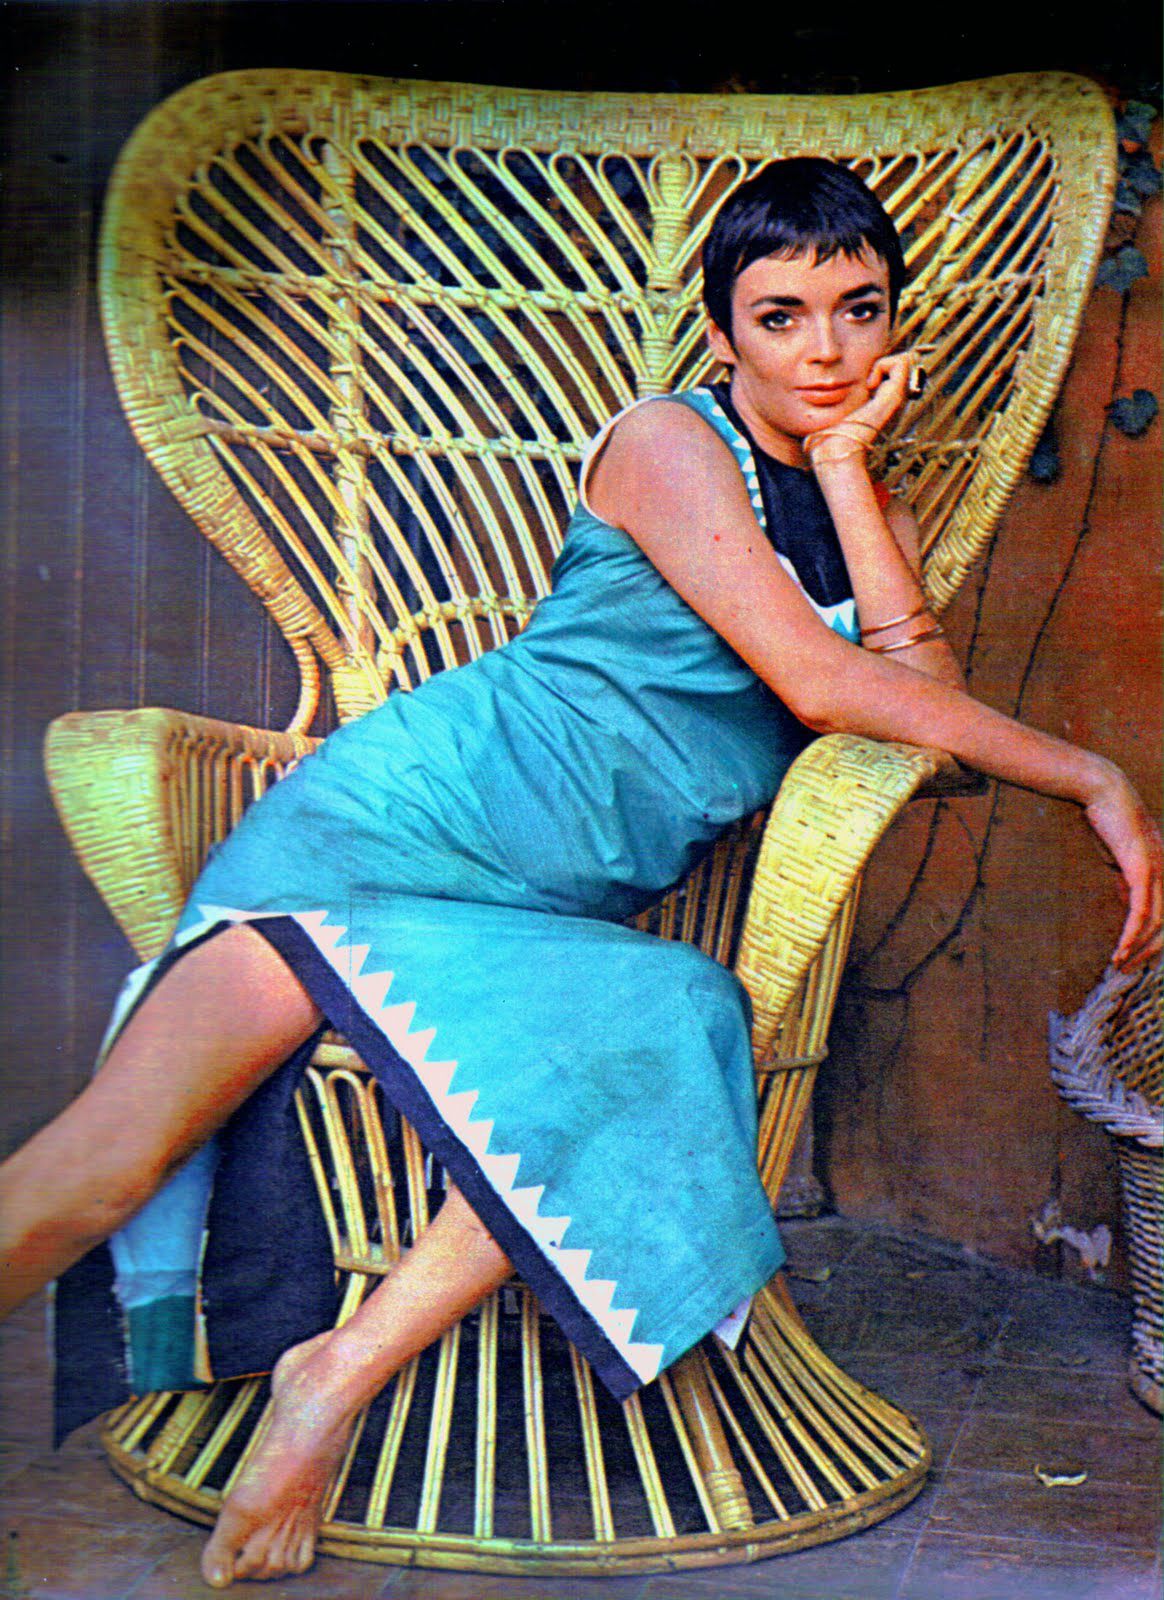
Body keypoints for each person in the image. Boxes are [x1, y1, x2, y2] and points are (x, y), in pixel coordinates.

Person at [2, 158, 1160, 1588]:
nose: (825, 350)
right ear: (721, 332)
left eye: (859, 310)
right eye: (781, 315)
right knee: (100, 1166)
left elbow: (927, 710)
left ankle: (333, 1374)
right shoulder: (669, 443)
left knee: (673, 1010)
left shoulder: (869, 504)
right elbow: (820, 683)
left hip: (524, 915)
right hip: (386, 830)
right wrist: (1092, 773)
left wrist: (849, 475)